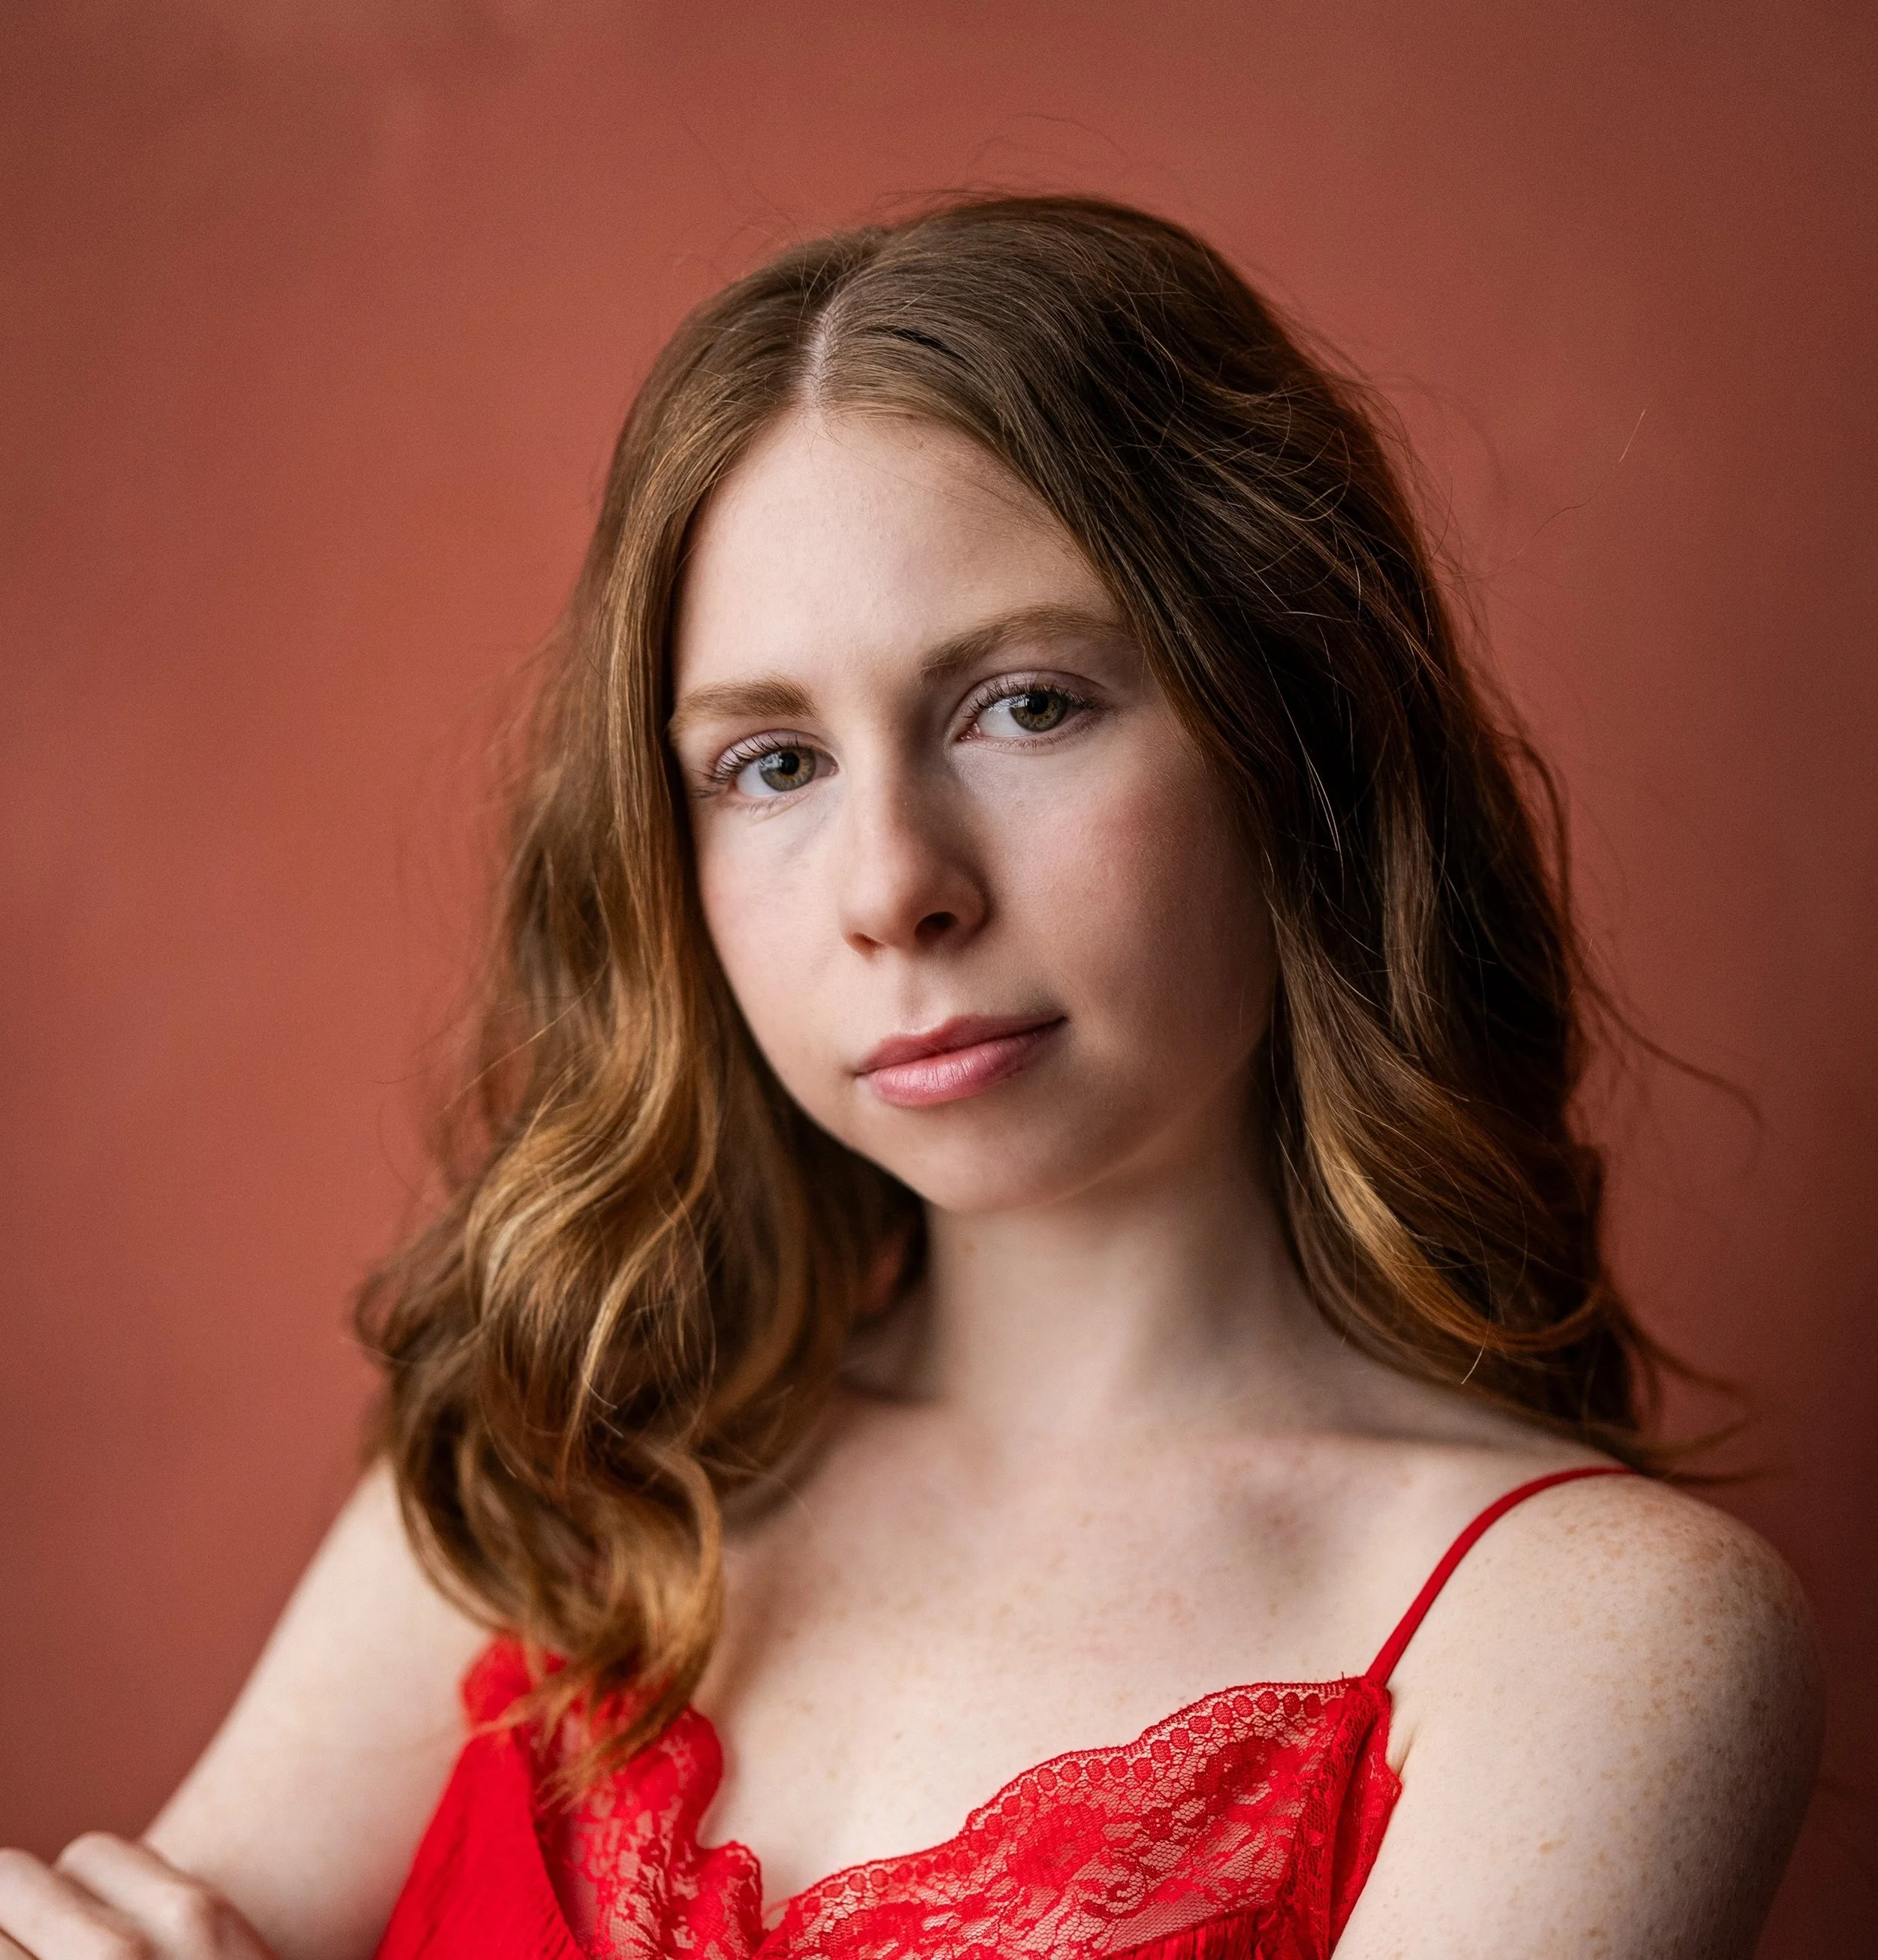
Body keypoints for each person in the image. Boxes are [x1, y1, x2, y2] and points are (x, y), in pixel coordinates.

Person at [0, 197, 1822, 1960]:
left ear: (1301, 740)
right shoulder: (546, 1487)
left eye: (1022, 703)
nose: (890, 888)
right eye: (772, 762)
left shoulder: (1593, 1635)